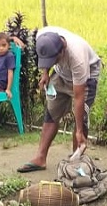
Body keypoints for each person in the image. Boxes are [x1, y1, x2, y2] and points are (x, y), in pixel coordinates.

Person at [16, 27, 101, 173]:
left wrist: (79, 130)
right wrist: (45, 73)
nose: (51, 61)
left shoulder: (77, 56)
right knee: (51, 112)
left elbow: (79, 97)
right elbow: (44, 57)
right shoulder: (42, 37)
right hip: (61, 74)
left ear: (62, 50)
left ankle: (76, 163)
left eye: (54, 59)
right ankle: (40, 158)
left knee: (81, 118)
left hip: (86, 77)